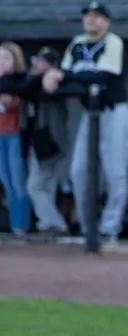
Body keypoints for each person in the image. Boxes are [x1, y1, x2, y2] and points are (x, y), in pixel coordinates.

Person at [43, 0, 128, 244]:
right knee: (79, 171)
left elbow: (102, 75)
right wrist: (54, 77)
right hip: (90, 113)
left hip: (115, 112)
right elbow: (65, 78)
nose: (91, 20)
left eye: (97, 16)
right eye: (88, 15)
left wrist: (63, 75)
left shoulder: (112, 42)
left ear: (107, 21)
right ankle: (87, 228)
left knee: (115, 172)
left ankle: (109, 228)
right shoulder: (77, 44)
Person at [0, 47, 74, 236]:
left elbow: (21, 90)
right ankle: (47, 225)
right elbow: (18, 84)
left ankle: (55, 224)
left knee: (34, 186)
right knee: (45, 187)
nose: (36, 64)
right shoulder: (29, 81)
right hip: (36, 143)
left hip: (51, 142)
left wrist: (49, 75)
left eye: (42, 62)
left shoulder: (52, 84)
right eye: (36, 60)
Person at [0, 42, 32, 238]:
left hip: (15, 133)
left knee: (19, 181)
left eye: (5, 58)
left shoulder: (20, 81)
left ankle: (21, 225)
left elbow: (12, 102)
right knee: (6, 181)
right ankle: (14, 225)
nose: (1, 63)